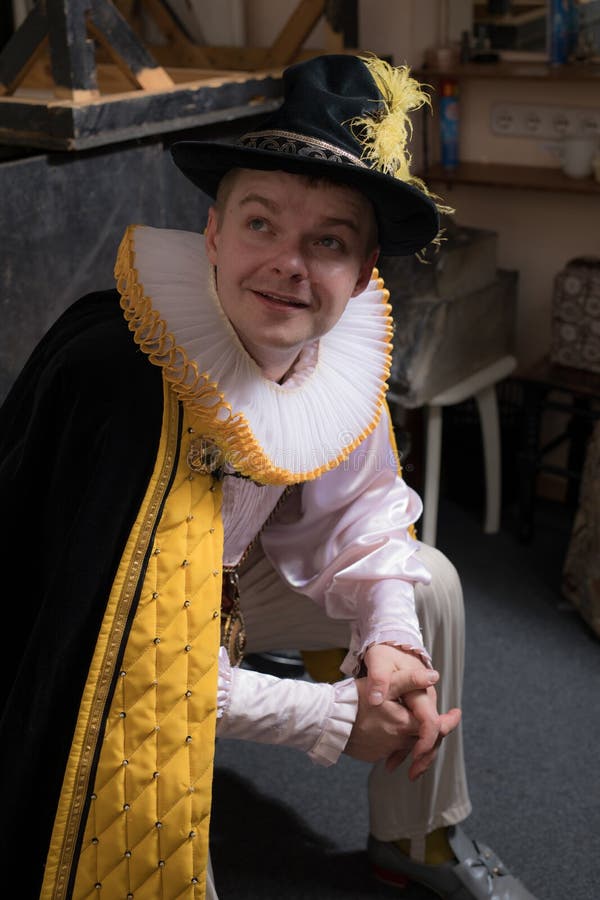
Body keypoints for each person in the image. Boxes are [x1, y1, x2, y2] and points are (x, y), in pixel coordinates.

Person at [0, 53, 538, 900]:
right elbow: (124, 655)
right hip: (92, 638)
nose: (290, 263)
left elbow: (363, 515)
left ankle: (422, 834)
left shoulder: (332, 352)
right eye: (261, 224)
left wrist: (390, 642)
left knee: (426, 582)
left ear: (361, 277)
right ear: (214, 234)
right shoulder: (124, 372)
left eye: (328, 242)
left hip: (223, 588)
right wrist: (329, 717)